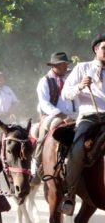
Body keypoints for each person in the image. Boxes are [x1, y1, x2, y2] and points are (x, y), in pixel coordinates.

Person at [60, 33, 105, 215]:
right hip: (90, 117)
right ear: (96, 49)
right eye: (104, 47)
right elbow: (65, 94)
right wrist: (80, 86)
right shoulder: (82, 68)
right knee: (77, 148)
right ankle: (69, 195)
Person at [31, 52, 77, 184]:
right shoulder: (45, 81)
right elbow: (45, 103)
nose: (65, 67)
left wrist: (75, 114)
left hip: (71, 115)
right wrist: (61, 115)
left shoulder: (69, 80)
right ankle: (36, 167)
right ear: (54, 66)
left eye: (66, 64)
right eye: (62, 64)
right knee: (42, 137)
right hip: (51, 115)